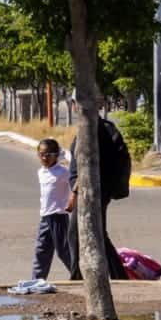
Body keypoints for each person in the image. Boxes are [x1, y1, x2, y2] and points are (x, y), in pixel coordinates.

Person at [67, 118, 128, 281]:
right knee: (96, 233)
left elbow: (92, 163)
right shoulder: (89, 126)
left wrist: (76, 189)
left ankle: (77, 277)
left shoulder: (97, 129)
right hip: (89, 190)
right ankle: (119, 275)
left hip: (93, 191)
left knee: (75, 234)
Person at [31, 138, 72, 280]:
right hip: (45, 217)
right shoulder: (41, 172)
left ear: (56, 155)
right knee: (41, 250)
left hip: (59, 216)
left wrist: (72, 200)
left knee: (64, 251)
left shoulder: (63, 172)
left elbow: (77, 181)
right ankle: (37, 280)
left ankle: (79, 276)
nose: (44, 158)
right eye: (41, 154)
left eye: (48, 155)